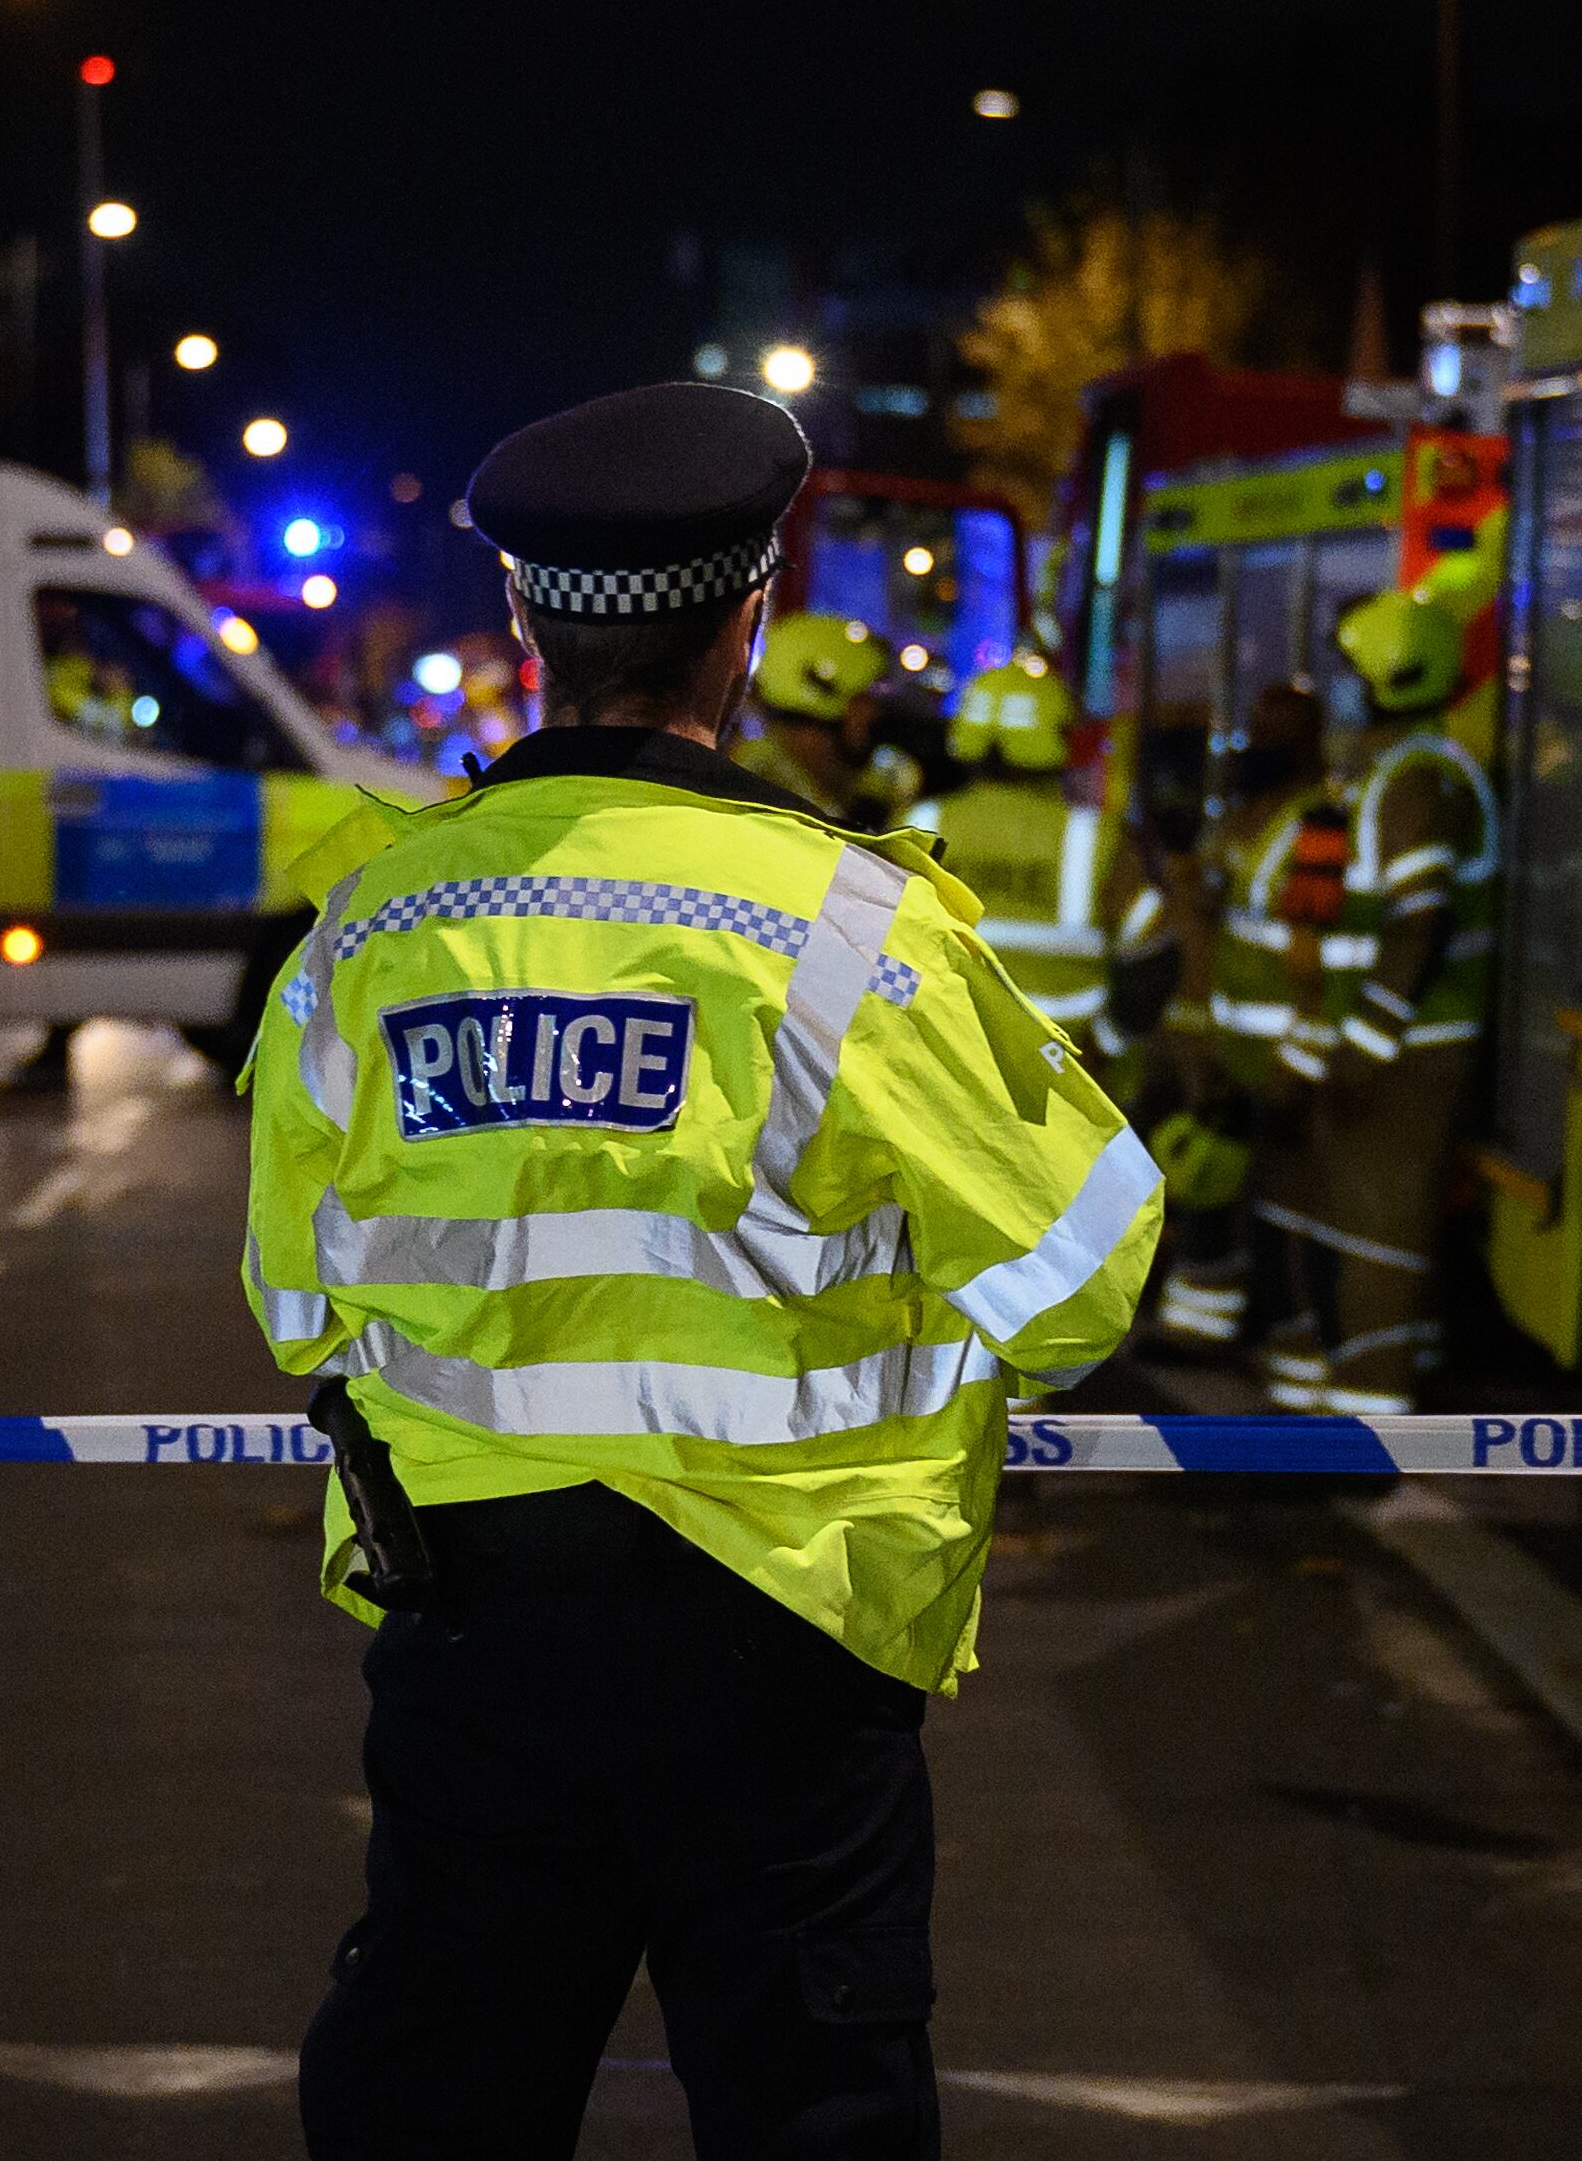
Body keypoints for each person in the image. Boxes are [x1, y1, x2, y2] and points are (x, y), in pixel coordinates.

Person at [244, 381, 1161, 2159]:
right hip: (787, 1652)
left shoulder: (368, 928)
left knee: (433, 2105)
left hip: (476, 1635)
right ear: (747, 625)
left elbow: (298, 1302)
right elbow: (1079, 1289)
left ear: (519, 621)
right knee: (812, 2113)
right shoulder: (848, 930)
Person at [1256, 560, 1498, 1415]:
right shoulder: (1387, 772)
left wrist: (1360, 1049)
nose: (1342, 692)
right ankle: (1331, 1415)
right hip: (1379, 1047)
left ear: (1396, 677)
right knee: (1338, 1232)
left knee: (1376, 1242)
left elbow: (1416, 924)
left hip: (1409, 1055)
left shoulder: (1416, 782)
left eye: (1354, 675)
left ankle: (1368, 1426)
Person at [1142, 682, 1335, 1356]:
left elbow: (1320, 954)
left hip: (1282, 1051)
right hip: (1229, 1042)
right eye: (1254, 729)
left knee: (1286, 1205)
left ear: (1310, 745)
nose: (1256, 746)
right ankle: (1205, 1323)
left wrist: (1300, 1054)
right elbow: (1208, 922)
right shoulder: (1242, 817)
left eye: (1273, 734)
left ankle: (1282, 1340)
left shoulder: (1318, 822)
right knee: (1209, 1179)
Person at [902, 654, 1104, 1039]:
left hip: (942, 1062)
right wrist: (1108, 1046)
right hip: (1064, 1072)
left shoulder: (918, 823)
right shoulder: (1092, 837)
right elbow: (1151, 961)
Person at [730, 607, 921, 830]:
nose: (876, 713)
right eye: (863, 699)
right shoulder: (753, 795)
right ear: (815, 703)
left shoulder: (876, 791)